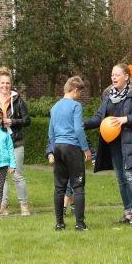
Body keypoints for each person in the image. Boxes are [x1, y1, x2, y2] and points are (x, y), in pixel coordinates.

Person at [84, 63, 132, 226]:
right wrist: (84, 124)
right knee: (121, 178)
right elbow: (99, 117)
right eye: (112, 75)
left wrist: (126, 119)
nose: (113, 77)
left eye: (117, 74)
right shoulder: (108, 96)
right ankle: (127, 212)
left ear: (126, 76)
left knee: (129, 176)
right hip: (114, 143)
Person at [0, 67, 31, 216]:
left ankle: (24, 205)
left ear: (11, 84)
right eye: (2, 83)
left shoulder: (18, 100)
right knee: (1, 176)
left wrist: (13, 121)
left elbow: (27, 120)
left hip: (15, 142)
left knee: (17, 174)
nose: (5, 86)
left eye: (7, 83)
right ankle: (3, 206)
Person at [48, 76, 91, 231]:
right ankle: (80, 223)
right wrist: (86, 149)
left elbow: (51, 133)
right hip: (72, 147)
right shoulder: (76, 106)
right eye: (79, 93)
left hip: (58, 147)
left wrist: (53, 150)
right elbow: (79, 129)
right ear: (75, 90)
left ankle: (59, 223)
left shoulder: (54, 107)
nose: (79, 96)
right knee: (78, 185)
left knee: (59, 187)